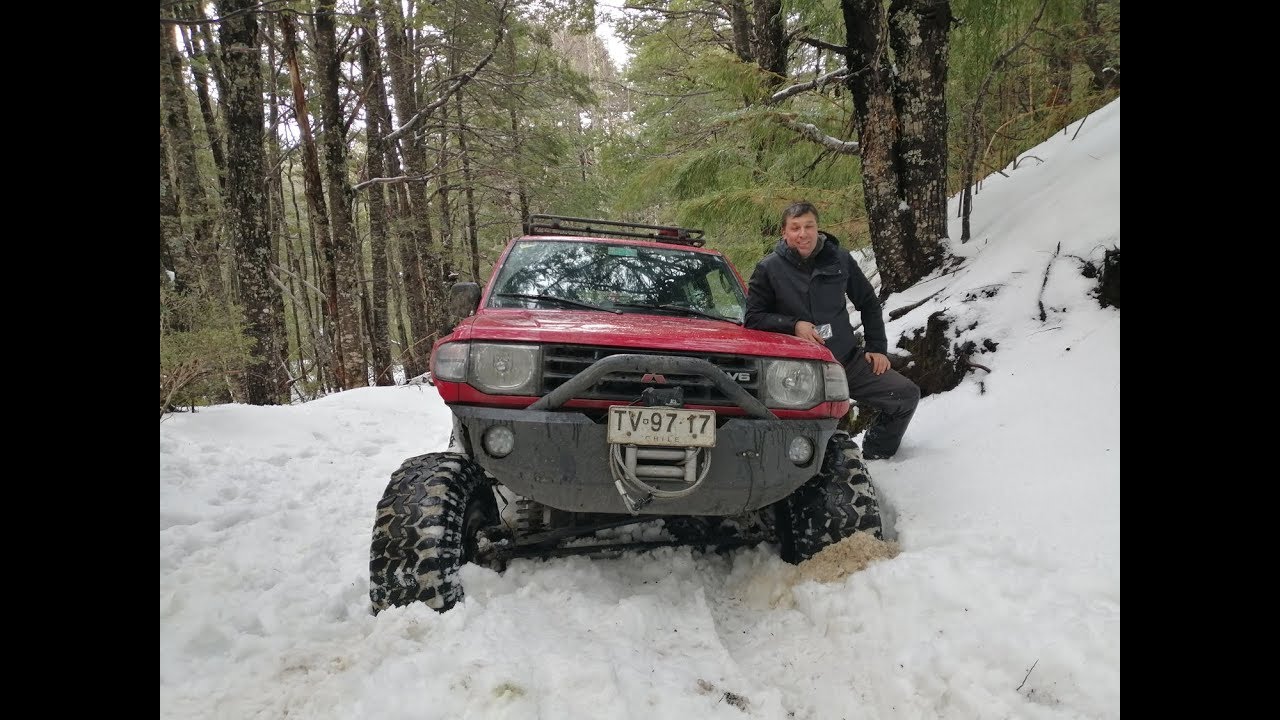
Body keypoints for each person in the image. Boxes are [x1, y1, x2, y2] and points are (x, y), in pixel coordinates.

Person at [745, 201, 920, 459]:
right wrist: (794, 326)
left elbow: (869, 303)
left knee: (905, 395)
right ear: (784, 232)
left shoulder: (840, 259)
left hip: (844, 361)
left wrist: (876, 348)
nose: (802, 233)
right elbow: (753, 319)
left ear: (818, 229)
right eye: (795, 228)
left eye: (809, 226)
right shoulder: (769, 268)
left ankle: (877, 456)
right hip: (795, 372)